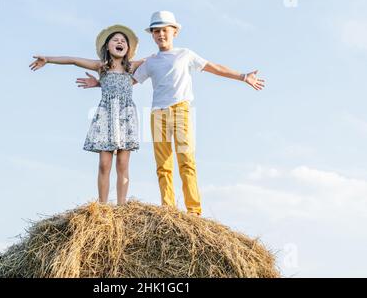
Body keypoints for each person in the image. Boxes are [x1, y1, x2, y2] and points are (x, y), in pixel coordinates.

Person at [78, 11, 265, 216]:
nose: (160, 35)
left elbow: (214, 68)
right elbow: (124, 83)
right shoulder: (150, 62)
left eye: (164, 30)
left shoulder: (185, 54)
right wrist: (99, 84)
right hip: (157, 114)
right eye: (156, 31)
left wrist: (243, 76)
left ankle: (193, 211)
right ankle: (169, 210)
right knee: (163, 166)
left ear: (174, 31)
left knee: (186, 160)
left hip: (181, 110)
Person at [29, 25, 144, 205]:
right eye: (116, 40)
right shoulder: (102, 67)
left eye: (123, 41)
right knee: (104, 164)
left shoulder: (133, 67)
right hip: (107, 115)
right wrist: (49, 59)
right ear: (107, 47)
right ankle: (103, 206)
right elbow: (73, 60)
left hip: (125, 117)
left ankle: (122, 207)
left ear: (128, 49)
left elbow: (158, 59)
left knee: (122, 163)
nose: (120, 42)